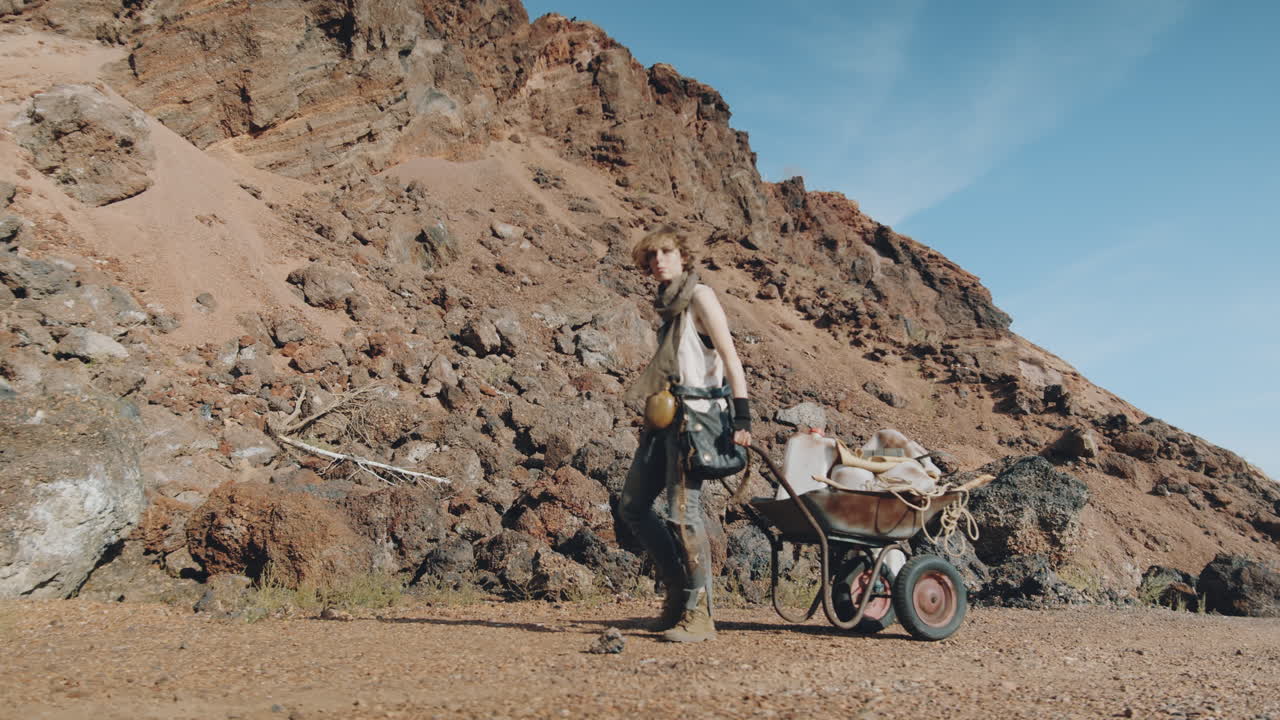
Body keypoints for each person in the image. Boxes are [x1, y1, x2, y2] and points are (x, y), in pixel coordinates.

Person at [619, 225, 752, 643]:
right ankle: (677, 595)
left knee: (683, 514)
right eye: (652, 254)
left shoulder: (699, 297)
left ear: (683, 256)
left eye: (667, 251)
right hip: (662, 420)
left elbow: (730, 358)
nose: (659, 259)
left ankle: (699, 615)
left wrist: (743, 417)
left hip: (696, 421)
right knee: (633, 506)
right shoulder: (667, 305)